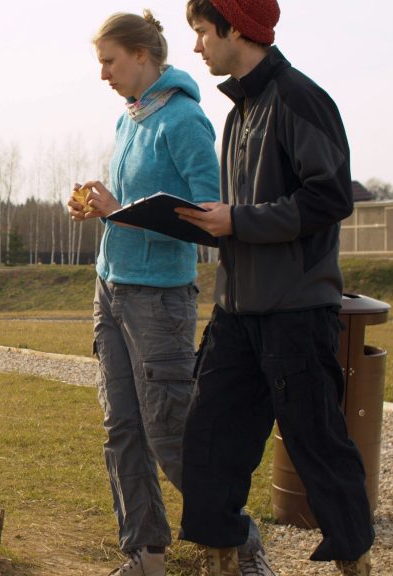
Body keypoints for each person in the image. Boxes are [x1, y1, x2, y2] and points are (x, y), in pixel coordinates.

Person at [175, 1, 375, 575]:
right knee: (210, 443)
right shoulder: (239, 115)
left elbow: (331, 198)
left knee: (318, 447)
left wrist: (238, 221)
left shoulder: (299, 98)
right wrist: (207, 222)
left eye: (202, 32)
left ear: (236, 27)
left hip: (296, 312)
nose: (197, 47)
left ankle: (355, 563)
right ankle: (223, 561)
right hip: (235, 314)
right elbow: (246, 213)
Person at [67, 10, 261, 576]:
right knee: (121, 428)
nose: (103, 73)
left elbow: (208, 214)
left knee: (170, 434)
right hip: (111, 289)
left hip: (159, 302)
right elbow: (126, 210)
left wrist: (121, 215)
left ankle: (243, 543)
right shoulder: (129, 119)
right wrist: (99, 207)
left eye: (110, 61)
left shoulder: (185, 120)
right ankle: (146, 557)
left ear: (143, 57)